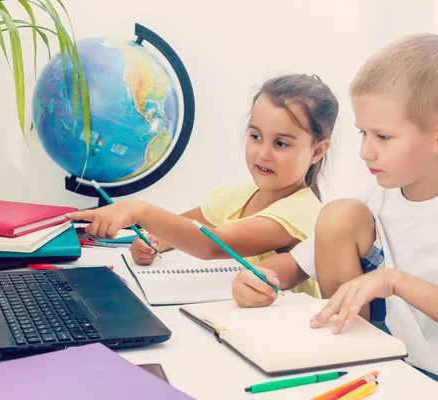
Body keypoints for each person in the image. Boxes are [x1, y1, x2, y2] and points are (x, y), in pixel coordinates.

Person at [231, 35, 438, 399]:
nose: (365, 151)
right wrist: (258, 279)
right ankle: (351, 357)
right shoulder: (377, 200)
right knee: (338, 215)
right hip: (399, 372)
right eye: (363, 133)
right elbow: (295, 265)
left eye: (383, 136)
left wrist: (396, 281)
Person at [67, 73, 339, 297]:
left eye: (281, 143)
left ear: (317, 151)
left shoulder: (304, 212)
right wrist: (154, 242)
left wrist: (140, 211)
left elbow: (212, 245)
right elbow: (184, 227)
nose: (263, 153)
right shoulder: (241, 194)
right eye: (255, 136)